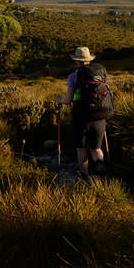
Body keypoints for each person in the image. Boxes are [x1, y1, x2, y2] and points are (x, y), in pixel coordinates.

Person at [56, 46, 109, 178]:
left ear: (77, 61)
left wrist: (59, 100)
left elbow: (68, 100)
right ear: (89, 60)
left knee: (81, 149)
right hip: (100, 116)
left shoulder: (74, 76)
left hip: (81, 117)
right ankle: (100, 165)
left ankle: (84, 176)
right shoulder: (100, 74)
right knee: (96, 148)